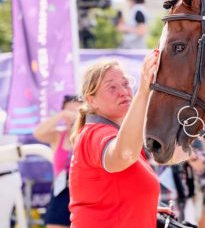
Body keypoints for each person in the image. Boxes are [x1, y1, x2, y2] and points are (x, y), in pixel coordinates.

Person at [68, 52, 171, 228]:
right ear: (91, 100)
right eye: (112, 88)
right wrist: (144, 91)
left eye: (125, 84)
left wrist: (144, 208)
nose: (123, 92)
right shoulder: (95, 133)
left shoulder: (122, 136)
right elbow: (124, 155)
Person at [33, 95, 81, 228]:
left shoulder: (87, 134)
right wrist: (60, 116)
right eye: (69, 111)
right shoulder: (58, 136)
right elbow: (38, 133)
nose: (72, 116)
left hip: (83, 191)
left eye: (76, 111)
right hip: (61, 192)